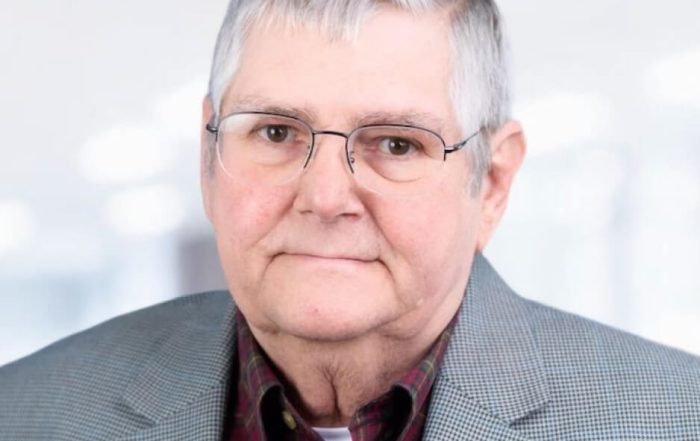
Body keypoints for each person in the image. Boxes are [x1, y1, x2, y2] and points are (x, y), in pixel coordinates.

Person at [1, 1, 699, 440]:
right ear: (209, 157)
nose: (325, 196)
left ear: (491, 183)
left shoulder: (675, 417)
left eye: (396, 144)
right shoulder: (28, 413)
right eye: (276, 133)